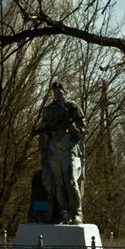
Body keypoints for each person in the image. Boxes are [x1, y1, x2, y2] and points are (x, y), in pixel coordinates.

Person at [34, 81, 86, 224]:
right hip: (54, 148)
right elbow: (43, 129)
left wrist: (72, 127)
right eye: (55, 91)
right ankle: (64, 212)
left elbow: (83, 129)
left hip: (69, 147)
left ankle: (77, 212)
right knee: (58, 183)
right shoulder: (49, 109)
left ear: (64, 91)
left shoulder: (73, 107)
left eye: (59, 90)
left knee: (70, 181)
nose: (57, 93)